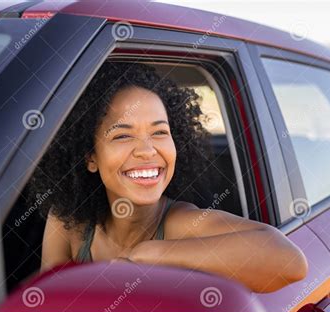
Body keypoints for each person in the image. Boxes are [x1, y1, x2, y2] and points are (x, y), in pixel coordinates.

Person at [29, 62, 308, 293]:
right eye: (123, 135)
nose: (147, 150)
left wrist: (148, 256)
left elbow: (291, 261)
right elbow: (48, 309)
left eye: (160, 132)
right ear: (90, 157)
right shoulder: (67, 223)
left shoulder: (181, 223)